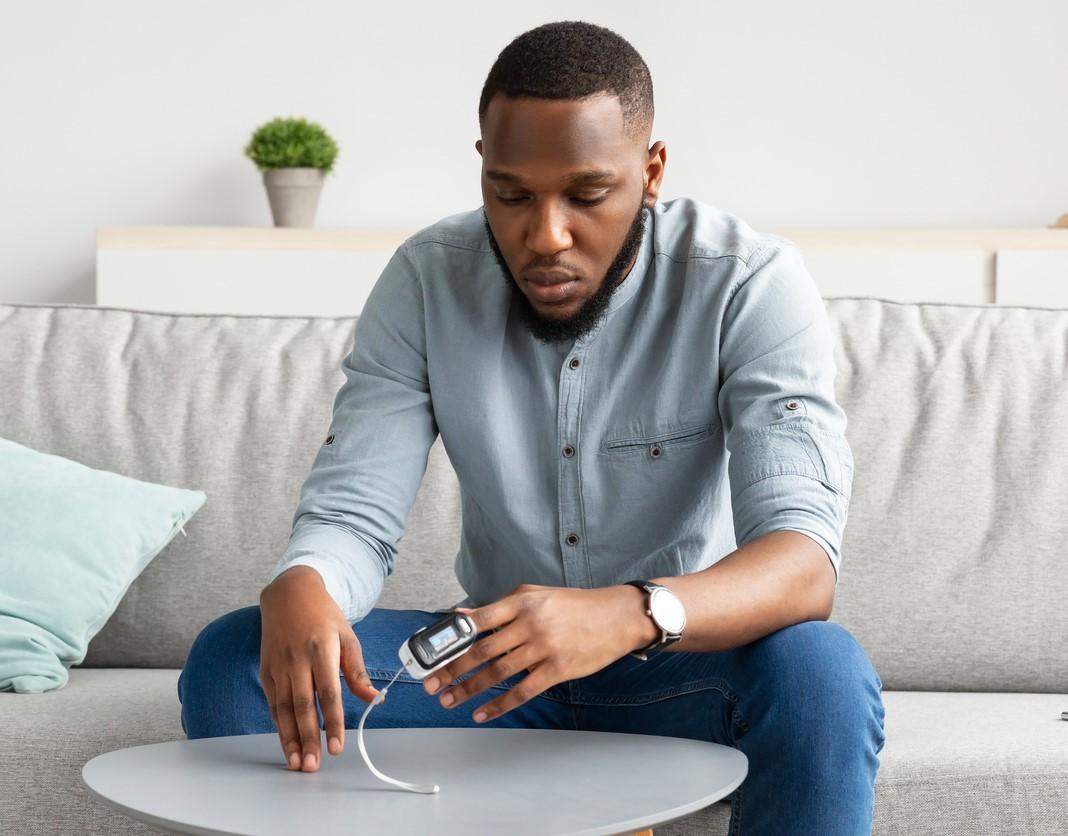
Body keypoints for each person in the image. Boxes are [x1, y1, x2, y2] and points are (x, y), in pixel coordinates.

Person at [178, 19, 885, 835]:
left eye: (587, 195)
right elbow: (354, 516)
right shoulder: (426, 279)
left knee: (821, 672)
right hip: (495, 676)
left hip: (683, 670)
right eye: (512, 195)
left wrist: (629, 613)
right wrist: (306, 580)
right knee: (233, 663)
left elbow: (802, 564)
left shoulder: (748, 281)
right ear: (483, 166)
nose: (545, 237)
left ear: (651, 172)